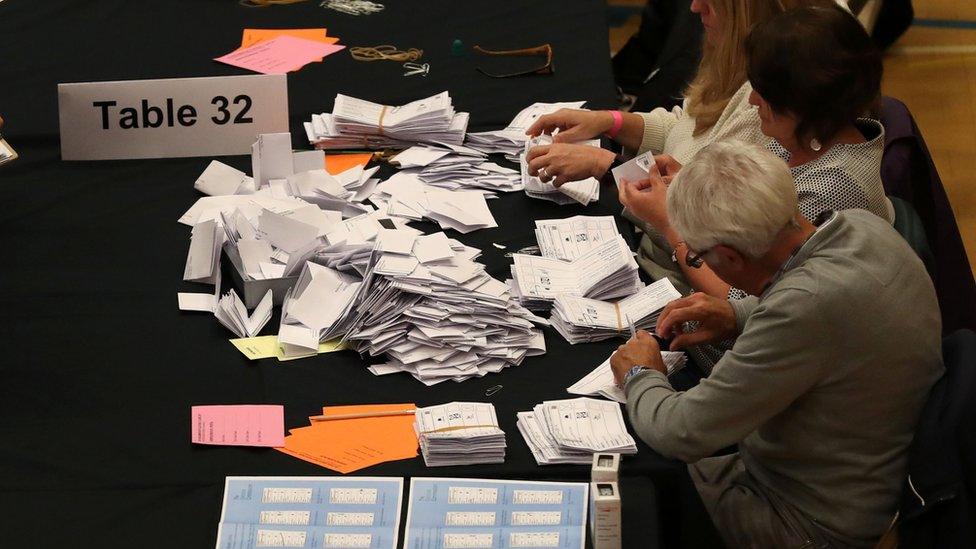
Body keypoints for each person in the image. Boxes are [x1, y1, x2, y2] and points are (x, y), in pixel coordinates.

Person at [610, 141, 944, 548]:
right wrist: (736, 315)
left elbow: (680, 432)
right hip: (858, 477)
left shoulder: (802, 310)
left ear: (730, 259)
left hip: (804, 520)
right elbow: (842, 314)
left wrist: (640, 372)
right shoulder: (860, 226)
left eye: (700, 256)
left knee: (625, 508)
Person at [622, 4, 894, 369]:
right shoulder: (806, 136)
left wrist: (673, 223)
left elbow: (748, 301)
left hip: (740, 356)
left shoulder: (831, 189)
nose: (751, 100)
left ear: (798, 100)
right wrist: (692, 184)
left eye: (761, 91)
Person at [524, 0, 827, 187]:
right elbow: (689, 130)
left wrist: (604, 165)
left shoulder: (770, 98)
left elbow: (708, 217)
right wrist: (610, 122)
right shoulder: (731, 55)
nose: (694, 7)